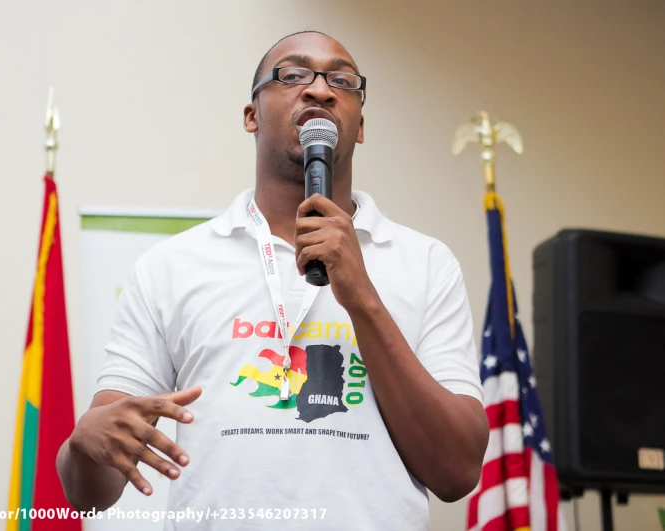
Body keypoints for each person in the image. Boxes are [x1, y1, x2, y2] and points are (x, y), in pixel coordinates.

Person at [57, 30, 489, 530]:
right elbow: (89, 495)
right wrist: (84, 445)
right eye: (293, 74)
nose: (321, 90)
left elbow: (457, 472)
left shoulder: (427, 263)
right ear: (251, 115)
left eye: (342, 81)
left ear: (361, 125)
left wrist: (362, 297)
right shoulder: (172, 265)